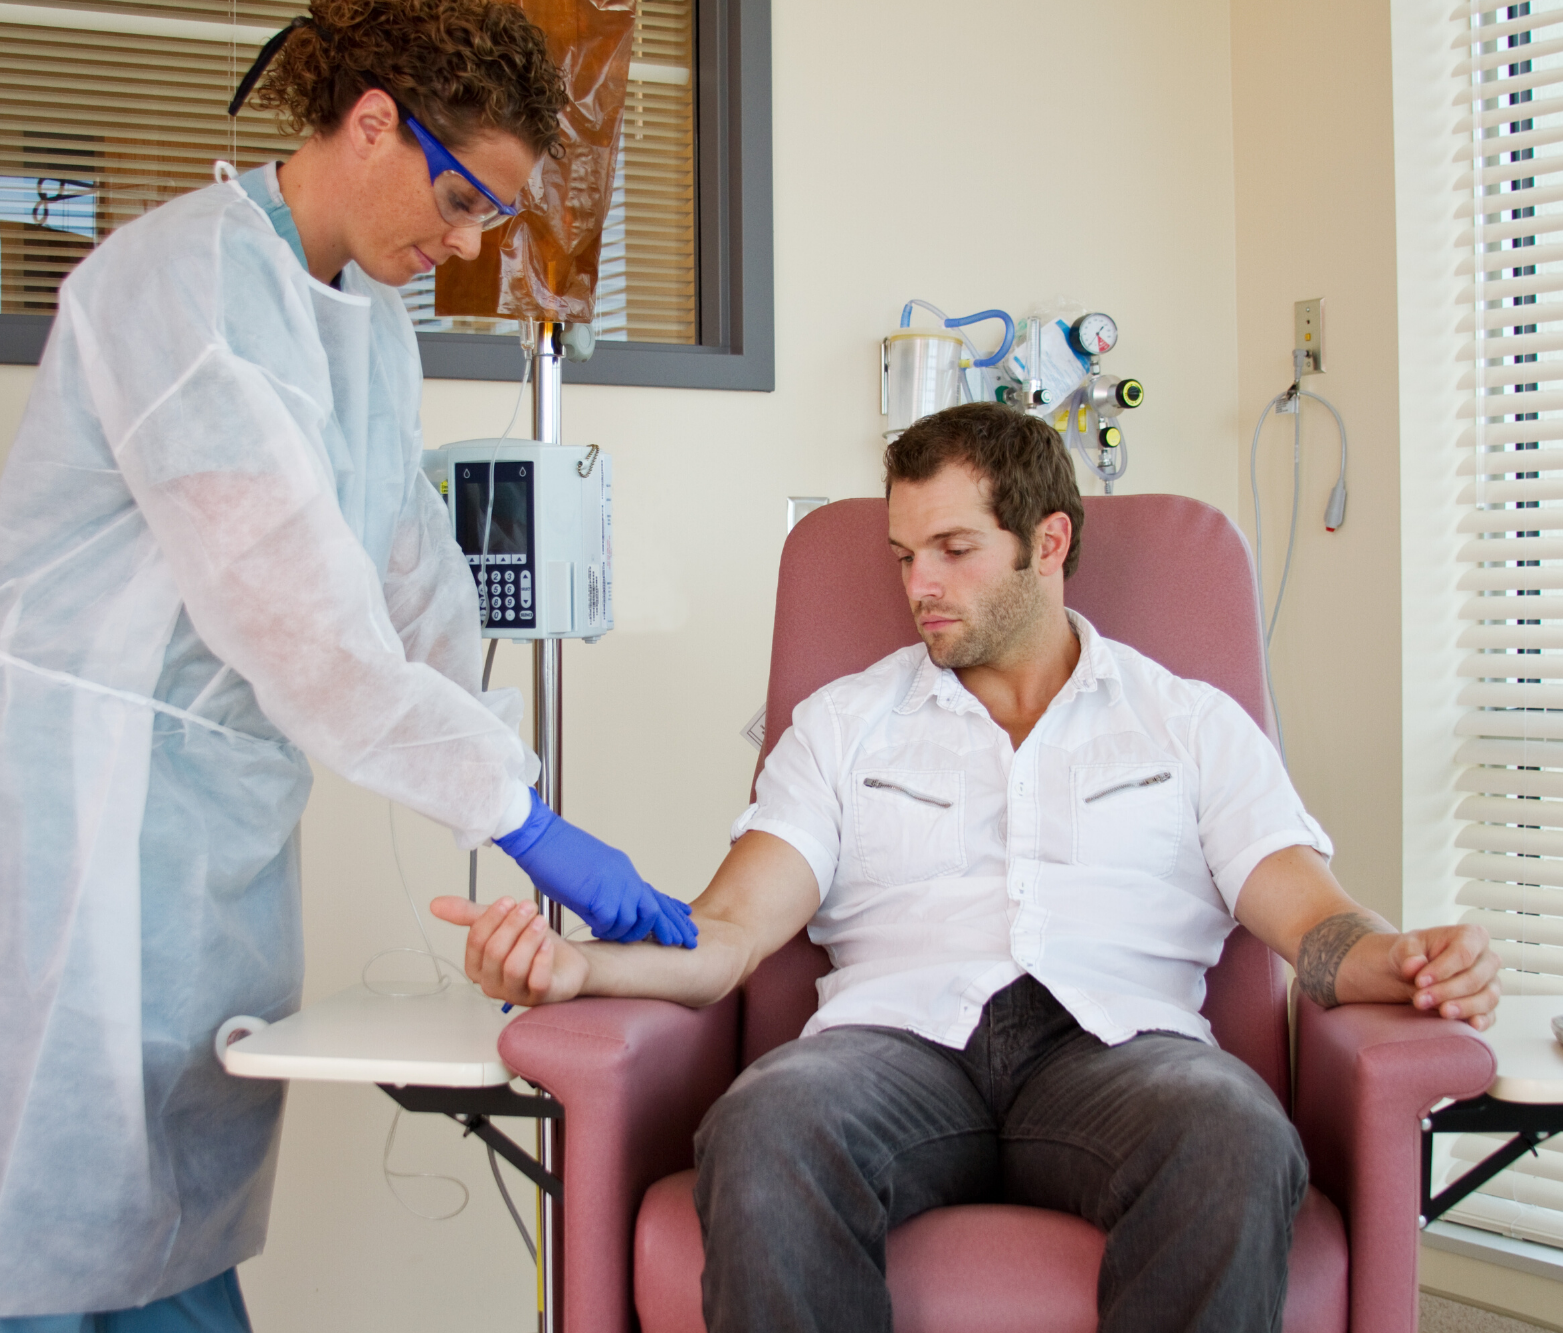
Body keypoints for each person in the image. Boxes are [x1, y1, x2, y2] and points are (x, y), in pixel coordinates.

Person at [435, 401, 1502, 1333]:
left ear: (1048, 541)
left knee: (1232, 1137)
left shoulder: (1185, 724)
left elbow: (1312, 926)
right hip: (891, 1052)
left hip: (1122, 1057)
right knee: (767, 1122)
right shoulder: (844, 723)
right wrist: (581, 970)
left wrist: (1403, 959)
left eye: (953, 548)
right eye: (904, 555)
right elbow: (727, 936)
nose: (920, 584)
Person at [0, 2, 691, 1326]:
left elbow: (408, 578)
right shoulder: (183, 288)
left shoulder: (365, 321)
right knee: (56, 1194)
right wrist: (524, 826)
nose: (468, 242)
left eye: (494, 214)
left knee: (173, 1185)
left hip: (216, 815)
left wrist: (520, 794)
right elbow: (307, 630)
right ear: (371, 118)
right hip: (78, 810)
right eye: (459, 196)